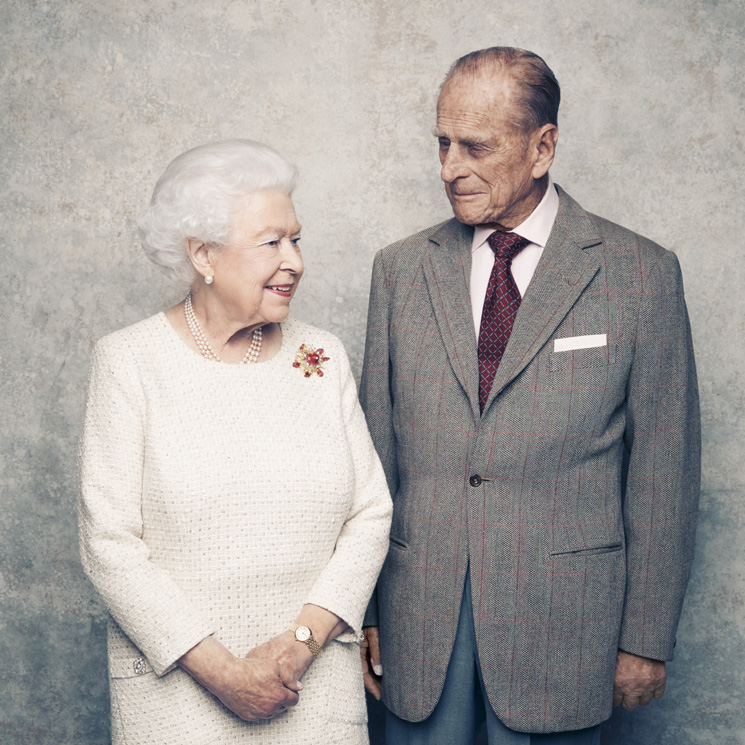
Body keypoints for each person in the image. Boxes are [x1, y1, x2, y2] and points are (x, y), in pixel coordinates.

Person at [359, 47, 700, 744]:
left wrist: (645, 637)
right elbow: (372, 456)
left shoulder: (640, 273)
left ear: (542, 147)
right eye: (443, 144)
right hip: (417, 617)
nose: (450, 167)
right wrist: (365, 608)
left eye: (475, 146)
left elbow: (664, 472)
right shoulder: (398, 270)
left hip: (565, 624)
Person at [78, 139, 392, 745]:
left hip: (313, 693)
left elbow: (371, 513)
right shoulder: (129, 363)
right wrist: (226, 675)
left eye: (296, 239)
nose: (294, 261)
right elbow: (108, 545)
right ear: (204, 255)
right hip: (178, 702)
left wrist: (300, 645)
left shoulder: (321, 357)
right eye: (271, 241)